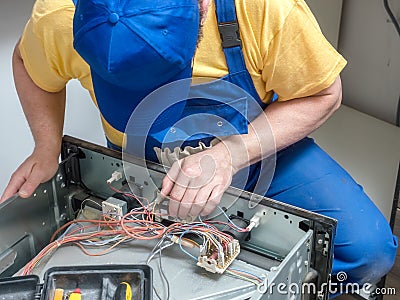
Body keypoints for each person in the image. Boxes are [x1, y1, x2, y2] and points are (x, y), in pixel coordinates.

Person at [1, 0, 397, 287]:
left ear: (202, 10)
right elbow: (28, 65)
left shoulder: (261, 10)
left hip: (257, 152)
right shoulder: (59, 16)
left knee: (369, 251)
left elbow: (324, 94)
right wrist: (45, 147)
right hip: (142, 169)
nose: (156, 102)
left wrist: (231, 153)